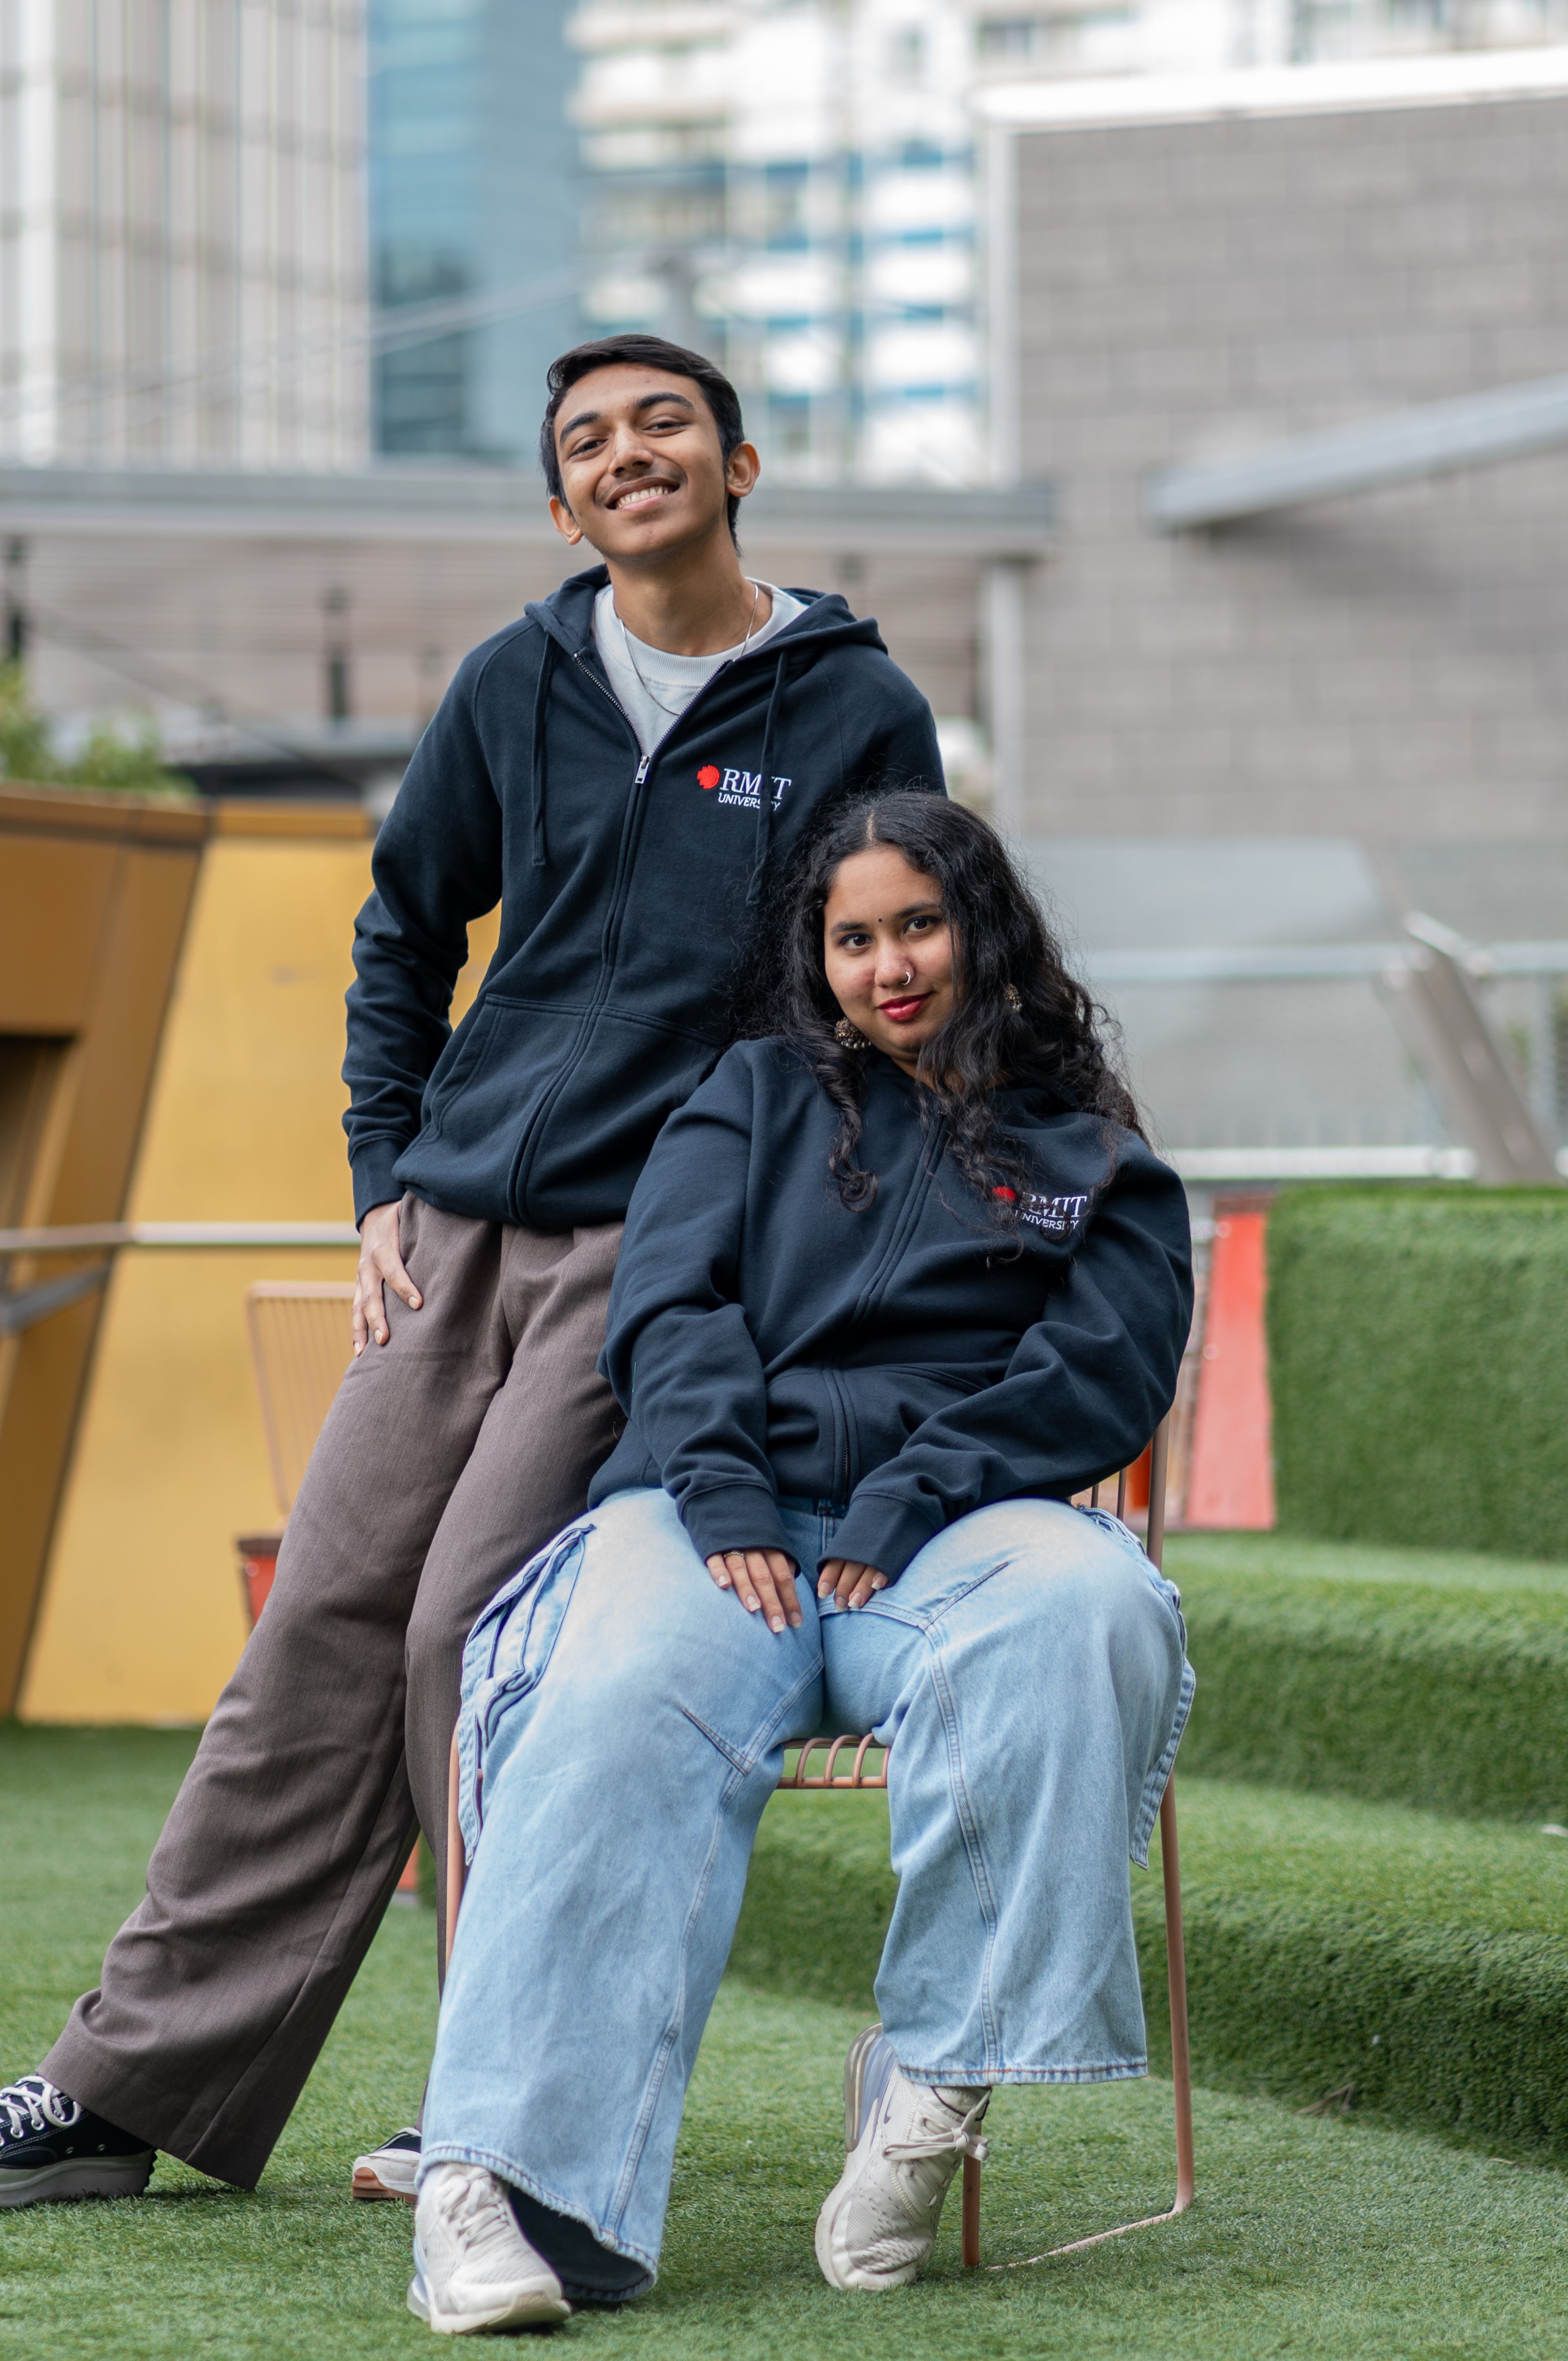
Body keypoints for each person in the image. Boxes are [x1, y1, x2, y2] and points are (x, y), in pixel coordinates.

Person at [0, 338, 943, 2213]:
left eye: (662, 422)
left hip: (663, 1246)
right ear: (558, 502)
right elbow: (401, 934)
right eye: (586, 441)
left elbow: (889, 978)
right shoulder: (515, 680)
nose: (627, 454)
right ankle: (119, 2090)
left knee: (473, 1642)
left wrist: (782, 1229)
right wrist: (378, 1179)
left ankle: (499, 2107)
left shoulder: (856, 708)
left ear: (739, 460)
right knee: (318, 1631)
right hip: (452, 1230)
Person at [403, 794, 1195, 2330]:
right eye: (855, 938)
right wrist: (727, 1497)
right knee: (618, 1684)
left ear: (987, 931)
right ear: (817, 958)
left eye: (921, 925)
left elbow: (1105, 1371)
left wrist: (917, 1493)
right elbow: (670, 1308)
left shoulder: (1089, 1153)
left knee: (1094, 1608)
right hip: (721, 1530)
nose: (891, 965)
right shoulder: (746, 1097)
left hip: (958, 1535)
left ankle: (932, 2084)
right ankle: (495, 2181)